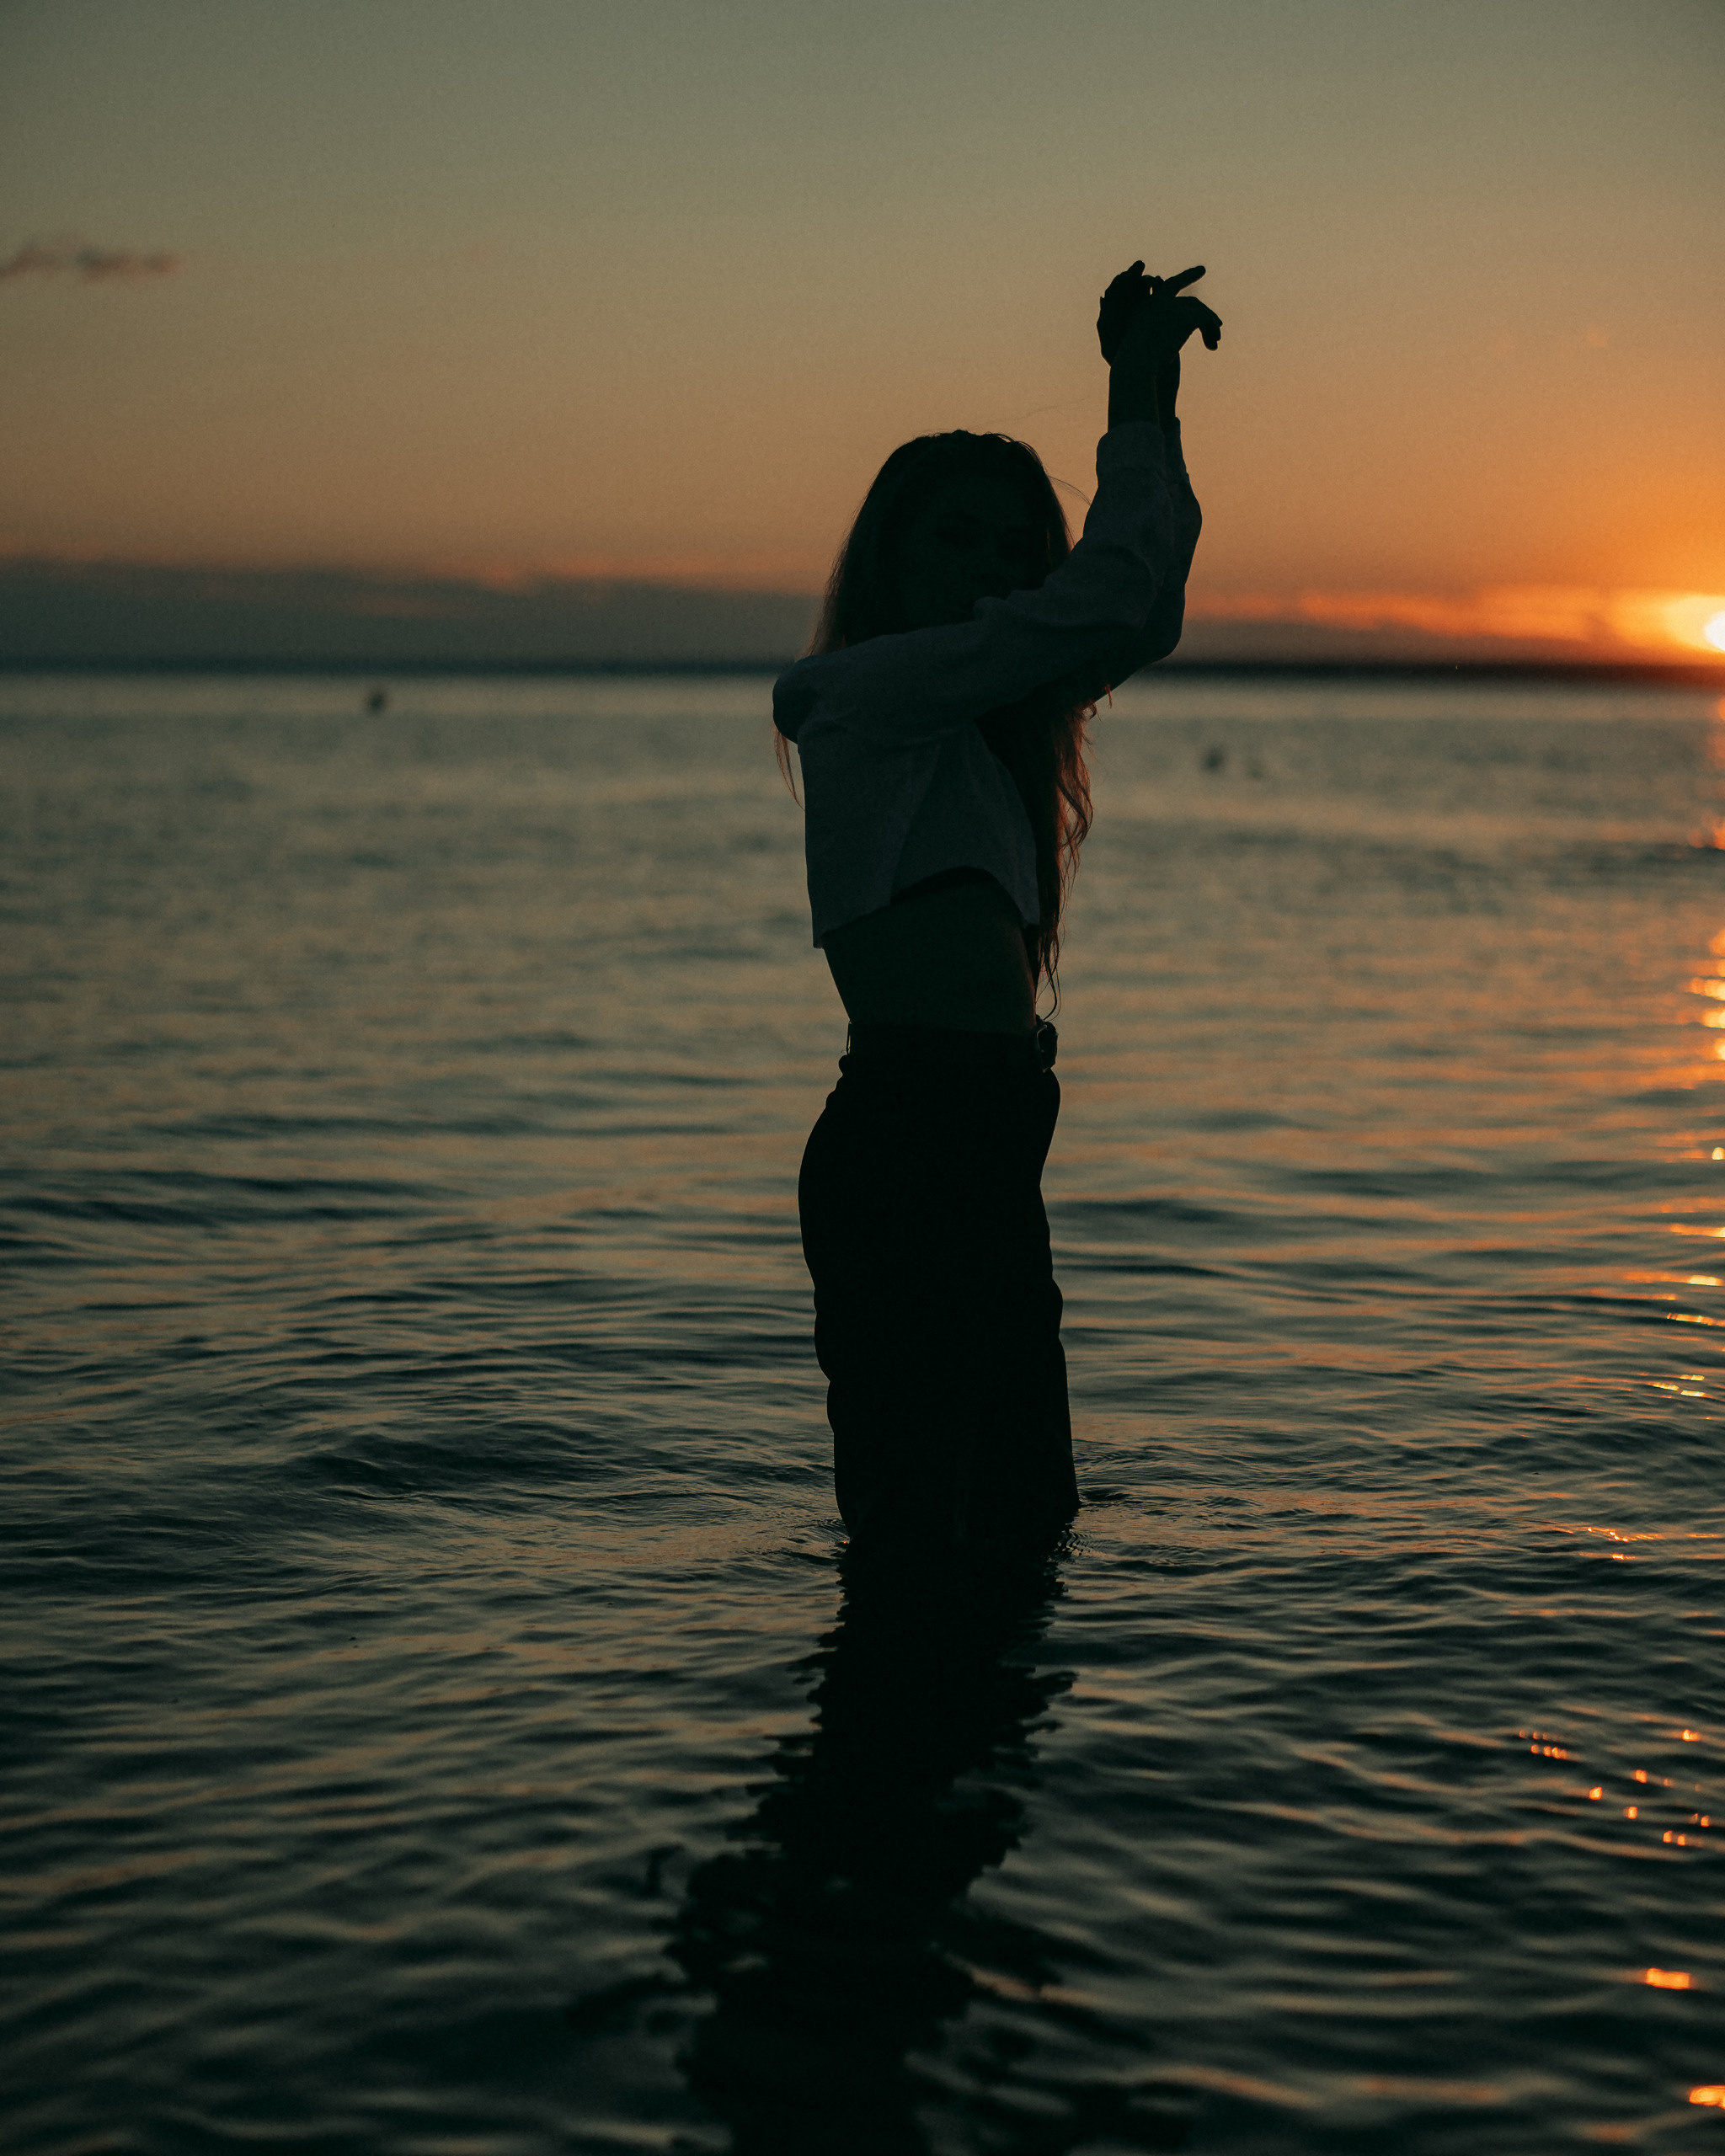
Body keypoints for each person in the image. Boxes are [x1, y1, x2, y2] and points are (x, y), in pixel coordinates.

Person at [772, 261, 1220, 1555]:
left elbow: (1142, 610)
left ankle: (991, 1760)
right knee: (921, 1540)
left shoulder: (973, 723)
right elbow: (1112, 597)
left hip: (985, 1145)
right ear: (890, 556)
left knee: (1023, 1527)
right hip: (909, 1146)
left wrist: (1157, 411)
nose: (982, 571)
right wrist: (1130, 395)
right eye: (949, 538)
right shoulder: (868, 690)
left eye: (1010, 547)